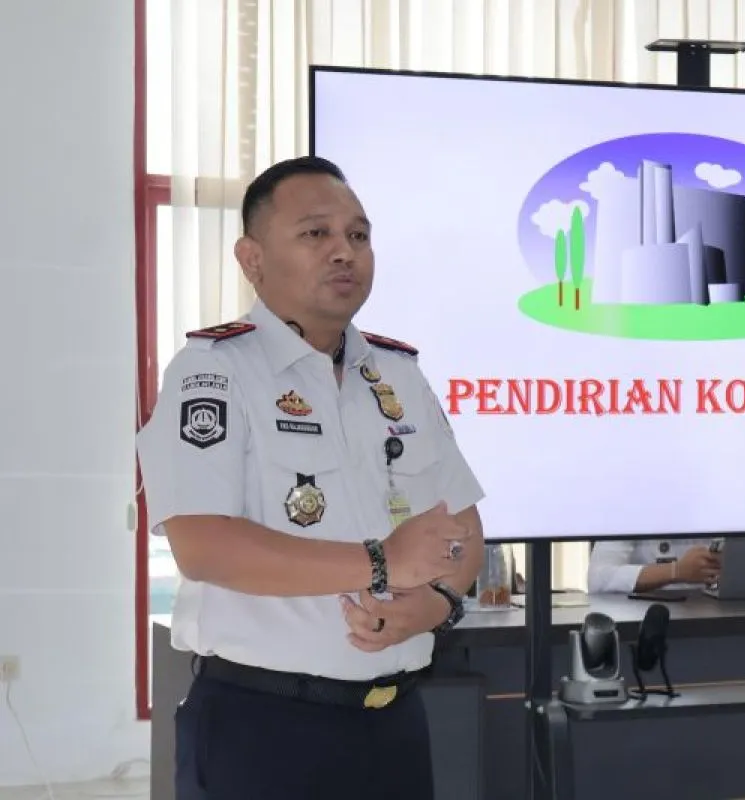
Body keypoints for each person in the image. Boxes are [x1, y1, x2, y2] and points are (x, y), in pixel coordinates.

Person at [136, 156, 485, 800]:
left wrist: (437, 604)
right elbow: (203, 547)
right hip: (266, 730)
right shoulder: (214, 371)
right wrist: (381, 563)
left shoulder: (397, 375)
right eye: (315, 233)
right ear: (252, 258)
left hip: (395, 723)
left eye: (358, 234)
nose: (343, 251)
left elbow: (462, 526)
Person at [587, 539, 721, 595]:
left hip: (712, 615)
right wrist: (675, 571)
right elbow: (598, 579)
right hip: (643, 618)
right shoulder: (627, 509)